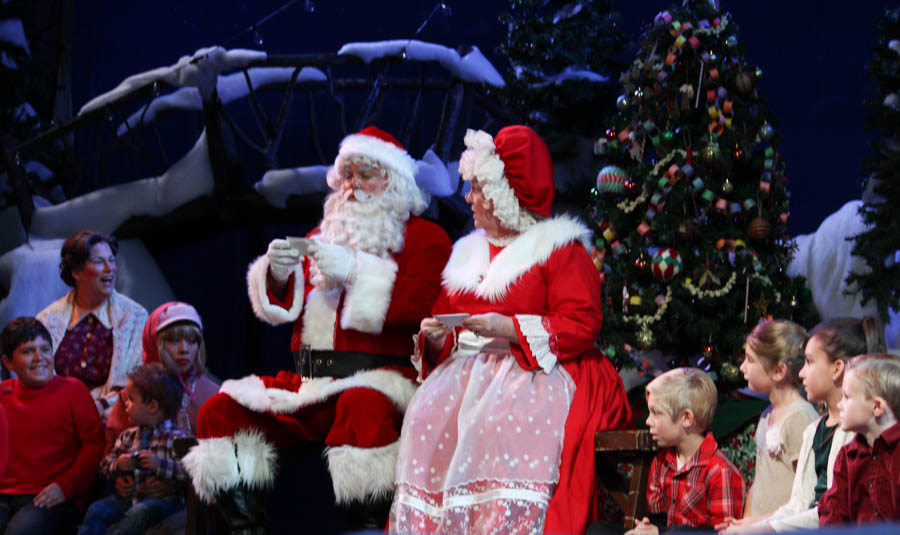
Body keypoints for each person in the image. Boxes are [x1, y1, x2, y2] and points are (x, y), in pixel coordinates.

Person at [183, 126, 452, 530]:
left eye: (366, 174)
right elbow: (280, 309)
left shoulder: (427, 239)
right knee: (220, 410)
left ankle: (372, 524)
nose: (352, 186)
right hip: (312, 383)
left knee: (361, 405)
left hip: (384, 378)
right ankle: (245, 526)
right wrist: (276, 273)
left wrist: (357, 274)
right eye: (346, 175)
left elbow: (425, 305)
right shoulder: (317, 238)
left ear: (393, 182)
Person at [388, 125, 631, 535]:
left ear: (507, 194)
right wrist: (436, 336)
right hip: (466, 376)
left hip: (536, 372)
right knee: (424, 417)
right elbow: (447, 316)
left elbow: (582, 325)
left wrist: (513, 327)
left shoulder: (558, 248)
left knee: (498, 422)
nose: (469, 198)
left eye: (479, 189)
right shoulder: (467, 253)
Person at [720, 316, 886, 533]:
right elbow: (799, 504)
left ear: (836, 368)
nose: (800, 372)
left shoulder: (856, 435)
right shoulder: (814, 430)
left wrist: (765, 528)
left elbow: (834, 511)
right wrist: (754, 524)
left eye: (809, 362)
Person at [0, 317, 105, 534]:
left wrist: (65, 487)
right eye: (28, 352)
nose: (39, 358)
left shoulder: (73, 391)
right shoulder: (3, 394)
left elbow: (95, 446)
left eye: (45, 349)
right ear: (8, 362)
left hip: (52, 496)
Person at [37, 230, 149, 420]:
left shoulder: (134, 316)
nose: (110, 268)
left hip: (112, 418)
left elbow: (136, 381)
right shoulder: (48, 318)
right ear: (76, 271)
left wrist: (98, 406)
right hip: (54, 415)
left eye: (112, 260)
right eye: (99, 262)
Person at [621, 368, 745, 535]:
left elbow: (724, 532)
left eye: (656, 413)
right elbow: (659, 520)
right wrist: (648, 528)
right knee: (599, 530)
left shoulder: (719, 471)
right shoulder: (661, 463)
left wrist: (661, 533)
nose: (648, 421)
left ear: (686, 418)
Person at [79, 363, 188, 535]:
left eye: (131, 399)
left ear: (152, 407)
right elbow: (104, 467)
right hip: (130, 498)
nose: (126, 405)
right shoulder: (127, 436)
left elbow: (189, 472)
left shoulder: (176, 439)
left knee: (135, 517)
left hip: (163, 503)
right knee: (97, 510)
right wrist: (118, 465)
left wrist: (159, 465)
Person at [107, 302, 219, 445]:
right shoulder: (131, 396)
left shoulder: (213, 396)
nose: (184, 349)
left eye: (192, 341)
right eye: (174, 341)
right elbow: (112, 455)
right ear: (154, 342)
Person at [736, 321, 817, 518]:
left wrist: (761, 525)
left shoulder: (800, 417)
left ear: (779, 371)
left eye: (750, 360)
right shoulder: (767, 415)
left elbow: (805, 494)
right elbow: (758, 483)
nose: (742, 367)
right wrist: (746, 522)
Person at [819, 353, 900, 525]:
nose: (840, 404)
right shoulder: (847, 456)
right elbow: (833, 515)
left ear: (877, 407)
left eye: (847, 397)